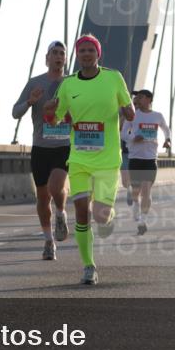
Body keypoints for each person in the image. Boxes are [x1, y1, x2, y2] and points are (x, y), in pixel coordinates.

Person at [45, 34, 133, 285]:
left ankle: (109, 215)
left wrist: (129, 111)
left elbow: (131, 111)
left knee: (101, 216)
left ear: (98, 54)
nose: (86, 54)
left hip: (106, 159)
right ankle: (88, 266)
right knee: (82, 212)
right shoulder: (69, 84)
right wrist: (50, 113)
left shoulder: (113, 77)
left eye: (90, 50)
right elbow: (57, 120)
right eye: (81, 50)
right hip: (80, 158)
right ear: (77, 54)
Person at [12, 40, 69, 260]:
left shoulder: (72, 83)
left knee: (57, 186)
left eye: (62, 53)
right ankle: (48, 241)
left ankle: (61, 213)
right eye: (54, 53)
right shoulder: (35, 83)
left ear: (65, 59)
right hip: (40, 147)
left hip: (64, 145)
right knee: (43, 197)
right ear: (47, 58)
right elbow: (15, 113)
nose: (58, 56)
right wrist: (30, 101)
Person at [122, 89, 170, 235]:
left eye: (141, 97)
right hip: (135, 158)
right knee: (136, 191)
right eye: (137, 97)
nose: (137, 99)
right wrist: (132, 139)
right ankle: (135, 203)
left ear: (149, 99)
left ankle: (143, 220)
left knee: (146, 189)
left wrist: (168, 140)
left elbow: (166, 130)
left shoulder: (157, 116)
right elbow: (123, 134)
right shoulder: (132, 116)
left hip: (150, 158)